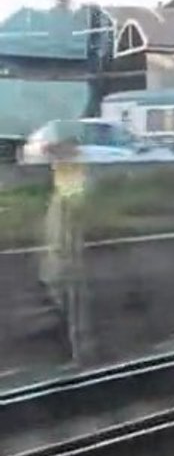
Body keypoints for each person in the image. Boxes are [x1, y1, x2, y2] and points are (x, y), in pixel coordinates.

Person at [39, 136, 89, 365]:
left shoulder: (70, 186)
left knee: (72, 305)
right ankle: (74, 354)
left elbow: (71, 222)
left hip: (66, 258)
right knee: (66, 304)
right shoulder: (63, 189)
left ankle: (79, 356)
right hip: (59, 256)